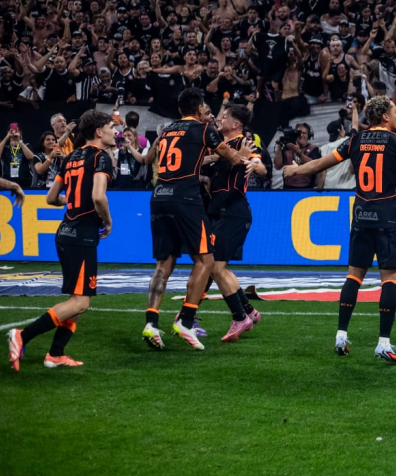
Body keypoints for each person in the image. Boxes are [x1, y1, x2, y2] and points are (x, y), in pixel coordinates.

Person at [283, 95, 396, 363]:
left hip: (361, 216)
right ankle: (383, 342)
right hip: (389, 219)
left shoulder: (355, 140)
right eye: (395, 111)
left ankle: (341, 334)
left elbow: (319, 164)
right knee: (389, 279)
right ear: (384, 116)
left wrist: (295, 169)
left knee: (353, 277)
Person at [134, 88, 253, 350]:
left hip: (159, 196)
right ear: (199, 109)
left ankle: (151, 323)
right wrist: (242, 157)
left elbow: (148, 159)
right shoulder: (202, 129)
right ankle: (186, 319)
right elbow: (231, 157)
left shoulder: (165, 131)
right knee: (206, 260)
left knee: (163, 264)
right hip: (185, 200)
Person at [6, 110, 113, 371]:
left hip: (65, 233)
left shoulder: (71, 157)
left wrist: (75, 201)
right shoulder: (101, 158)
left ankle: (55, 354)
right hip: (82, 235)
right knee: (81, 302)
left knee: (77, 301)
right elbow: (99, 197)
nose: (115, 131)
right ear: (99, 132)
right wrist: (108, 221)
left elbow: (51, 198)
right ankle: (22, 336)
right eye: (111, 127)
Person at [207, 104, 267, 342]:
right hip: (223, 210)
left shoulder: (245, 143)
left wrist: (254, 164)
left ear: (236, 124)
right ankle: (249, 312)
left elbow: (259, 166)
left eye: (225, 116)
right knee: (219, 267)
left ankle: (240, 317)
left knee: (216, 267)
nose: (220, 118)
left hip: (234, 210)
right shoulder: (222, 147)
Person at [274, 123, 322, 189]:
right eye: (299, 133)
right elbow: (277, 166)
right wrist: (279, 146)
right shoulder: (287, 148)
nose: (301, 135)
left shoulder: (313, 149)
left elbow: (315, 165)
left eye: (304, 133)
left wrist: (298, 152)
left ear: (309, 135)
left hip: (306, 189)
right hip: (288, 189)